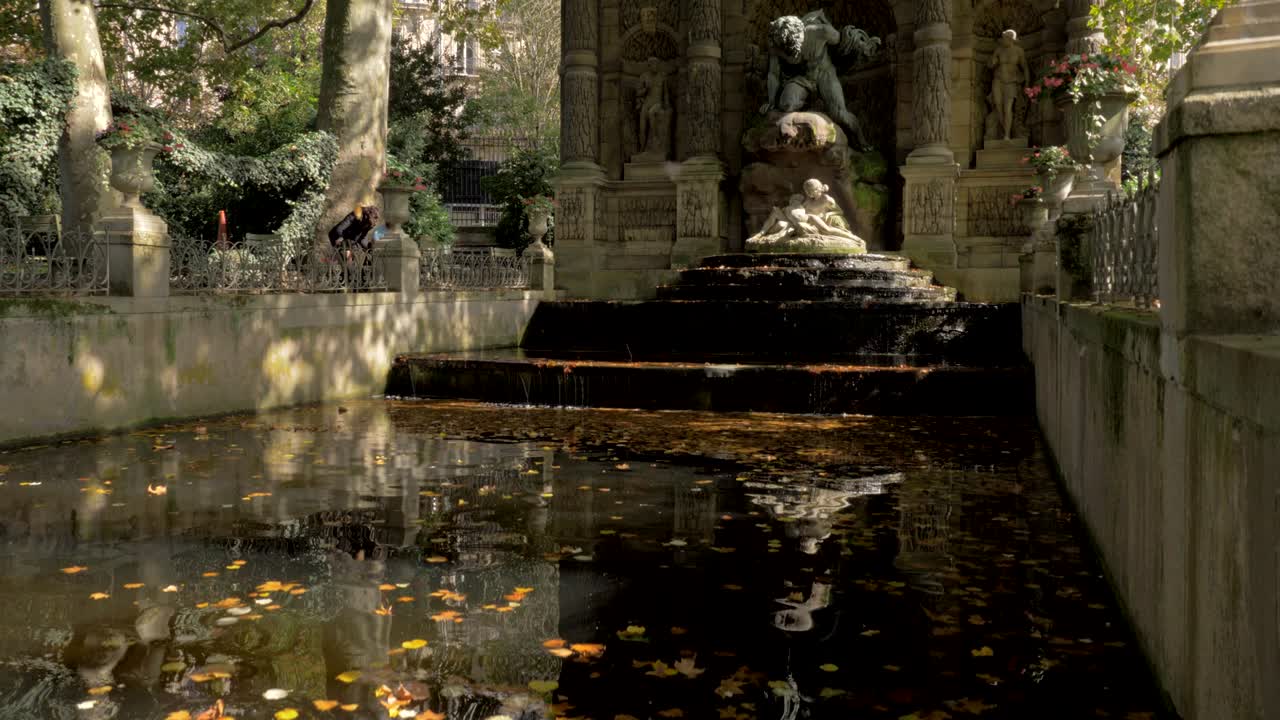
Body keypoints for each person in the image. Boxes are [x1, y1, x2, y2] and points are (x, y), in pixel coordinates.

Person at [988, 29, 1029, 141]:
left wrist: (1027, 83)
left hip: (1011, 81)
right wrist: (993, 61)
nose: (1002, 40)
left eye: (1004, 38)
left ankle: (1007, 134)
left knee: (1007, 108)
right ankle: (1006, 130)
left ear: (1011, 39)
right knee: (998, 106)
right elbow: (990, 65)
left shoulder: (1018, 51)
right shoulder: (998, 50)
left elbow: (1025, 67)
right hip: (998, 80)